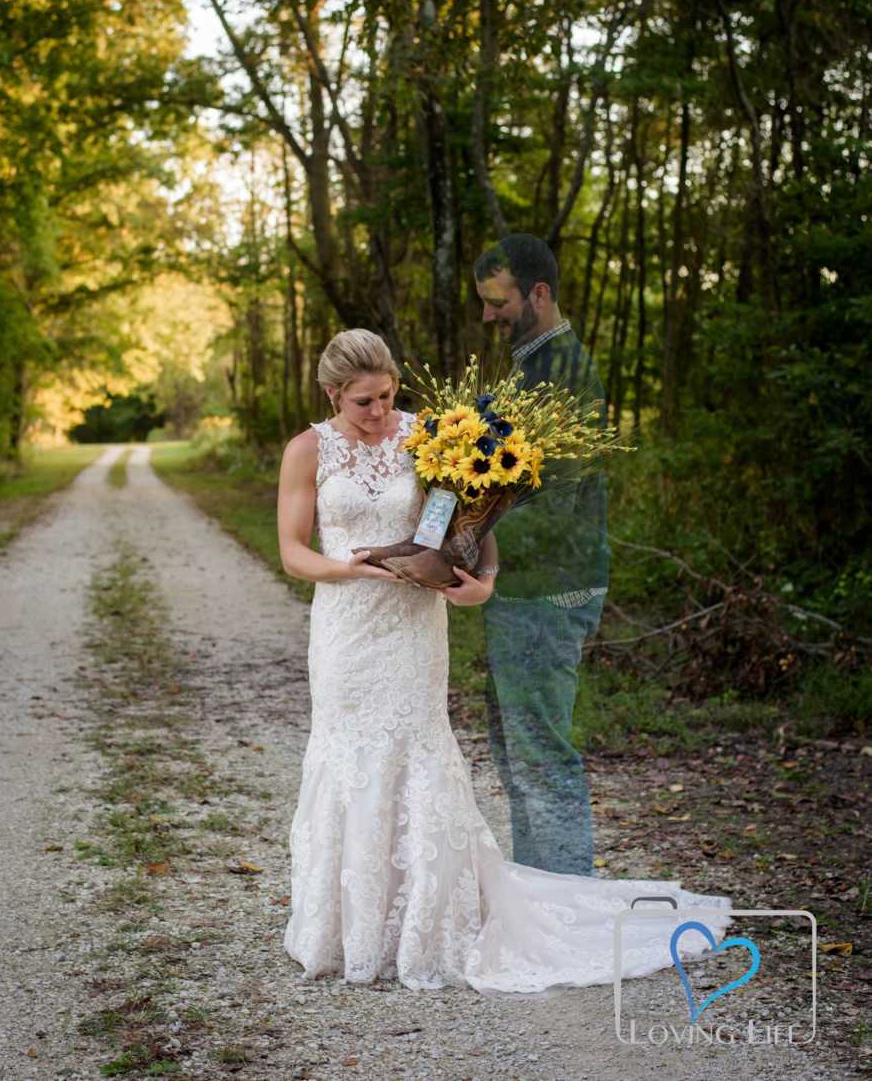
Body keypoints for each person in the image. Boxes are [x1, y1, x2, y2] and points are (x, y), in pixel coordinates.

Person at [277, 326, 731, 993]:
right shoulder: (307, 449)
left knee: (418, 748)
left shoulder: (431, 438)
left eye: (387, 396)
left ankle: (430, 922)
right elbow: (294, 550)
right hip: (346, 628)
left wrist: (481, 583)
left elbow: (476, 525)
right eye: (363, 403)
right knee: (347, 753)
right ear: (332, 393)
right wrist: (361, 572)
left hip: (413, 630)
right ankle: (347, 929)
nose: (379, 414)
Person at [474, 233, 609, 876]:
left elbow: (555, 504)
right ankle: (539, 896)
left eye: (497, 301)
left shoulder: (567, 372)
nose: (488, 315)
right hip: (518, 588)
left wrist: (466, 545)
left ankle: (568, 907)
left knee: (539, 756)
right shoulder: (530, 365)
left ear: (539, 292)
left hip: (551, 591)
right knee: (515, 755)